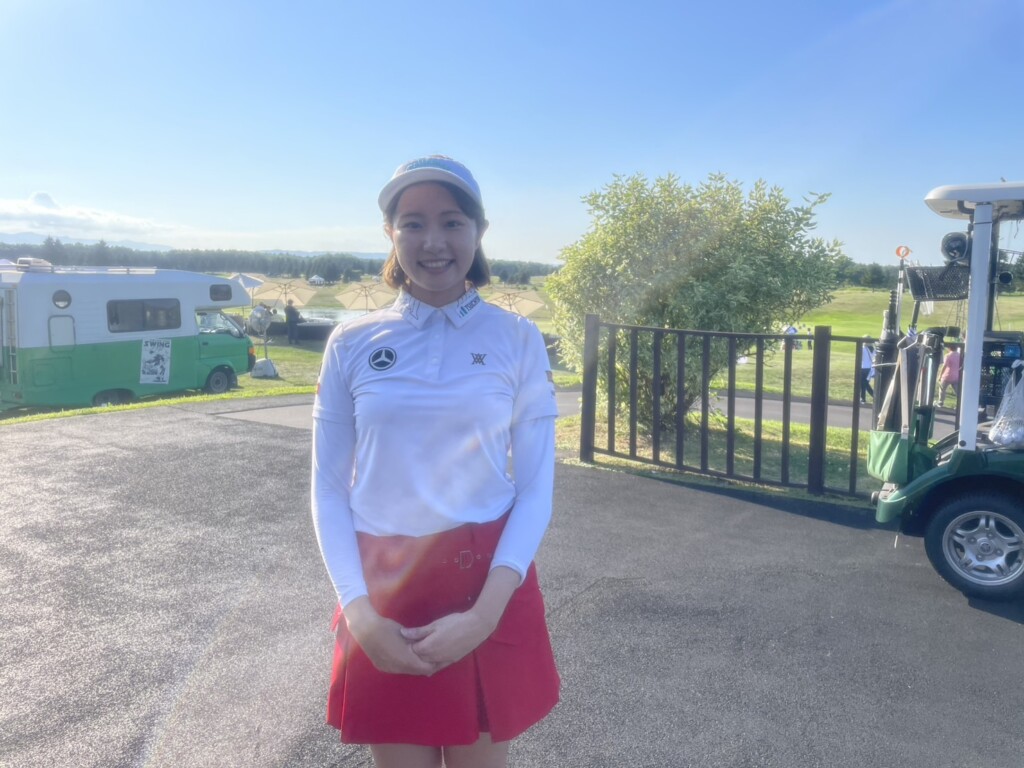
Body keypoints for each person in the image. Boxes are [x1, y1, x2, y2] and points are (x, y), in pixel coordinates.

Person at [311, 155, 560, 768]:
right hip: (383, 590)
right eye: (413, 223)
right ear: (390, 234)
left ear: (479, 231)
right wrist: (359, 614)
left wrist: (483, 616)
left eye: (452, 222)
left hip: (486, 583)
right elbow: (328, 488)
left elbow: (534, 489)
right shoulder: (351, 341)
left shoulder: (517, 338)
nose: (433, 242)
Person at [860, 337, 875, 404]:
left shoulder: (863, 348)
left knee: (864, 384)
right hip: (870, 368)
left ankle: (873, 395)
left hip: (863, 368)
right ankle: (863, 398)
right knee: (864, 384)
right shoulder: (873, 349)